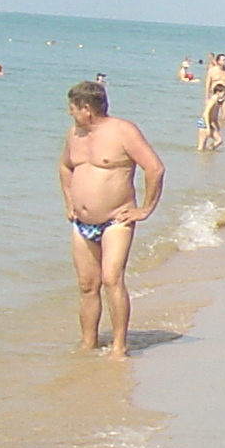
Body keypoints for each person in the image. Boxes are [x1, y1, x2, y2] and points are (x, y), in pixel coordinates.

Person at [58, 80, 165, 359]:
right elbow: (65, 166)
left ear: (87, 109)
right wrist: (70, 201)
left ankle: (119, 346)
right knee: (86, 284)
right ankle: (88, 342)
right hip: (81, 223)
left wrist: (145, 209)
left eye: (72, 108)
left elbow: (154, 168)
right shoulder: (75, 134)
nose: (70, 114)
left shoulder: (122, 131)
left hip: (116, 220)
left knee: (111, 279)